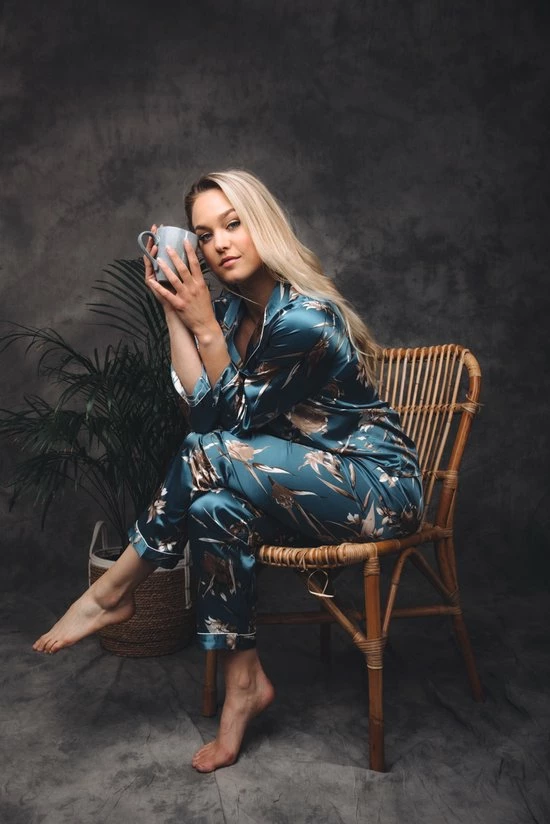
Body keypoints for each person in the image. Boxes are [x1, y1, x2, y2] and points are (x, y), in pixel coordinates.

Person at [33, 169, 423, 772]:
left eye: (233, 224)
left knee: (208, 453)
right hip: (296, 491)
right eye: (204, 234)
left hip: (376, 489)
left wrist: (204, 328)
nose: (219, 243)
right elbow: (202, 411)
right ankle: (245, 686)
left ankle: (112, 591)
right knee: (214, 507)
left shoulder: (306, 319)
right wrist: (175, 310)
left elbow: (232, 425)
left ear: (262, 223)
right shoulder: (231, 313)